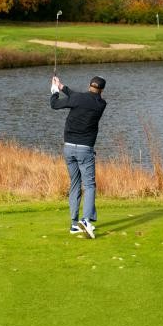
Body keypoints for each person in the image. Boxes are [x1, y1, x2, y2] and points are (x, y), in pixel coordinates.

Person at [50, 74, 107, 239]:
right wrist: (62, 87)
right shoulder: (101, 104)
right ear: (101, 90)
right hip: (85, 150)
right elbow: (80, 97)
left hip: (68, 148)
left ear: (89, 85)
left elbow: (55, 104)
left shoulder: (78, 98)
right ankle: (87, 220)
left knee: (75, 184)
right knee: (89, 185)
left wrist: (54, 91)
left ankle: (74, 225)